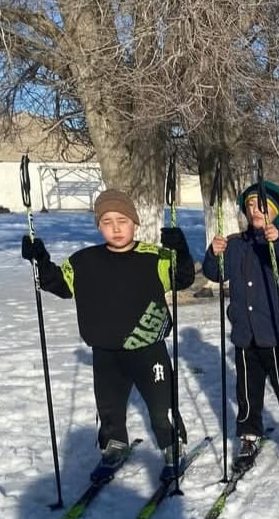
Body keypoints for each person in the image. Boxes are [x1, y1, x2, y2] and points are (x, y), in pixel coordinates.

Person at [20, 188, 195, 481]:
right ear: (99, 225)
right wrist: (40, 260)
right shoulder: (83, 261)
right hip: (105, 351)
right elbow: (60, 285)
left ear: (135, 223)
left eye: (123, 220)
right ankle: (114, 446)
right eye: (107, 221)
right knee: (109, 407)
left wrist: (181, 250)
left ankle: (171, 446)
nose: (115, 227)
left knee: (160, 405)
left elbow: (183, 278)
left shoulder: (156, 257)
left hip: (148, 349)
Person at [201, 180, 279, 475]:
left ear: (275, 211)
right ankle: (249, 435)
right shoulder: (237, 243)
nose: (256, 210)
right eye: (250, 205)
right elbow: (217, 274)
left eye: (262, 206)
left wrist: (275, 242)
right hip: (246, 335)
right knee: (247, 391)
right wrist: (215, 253)